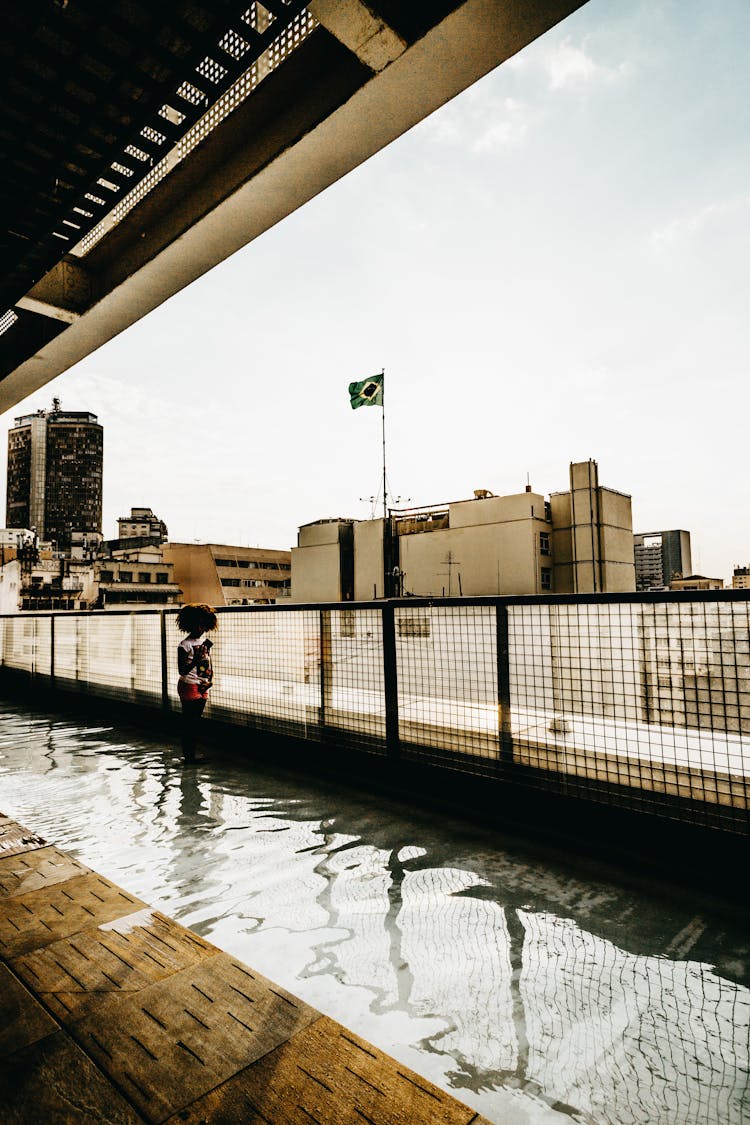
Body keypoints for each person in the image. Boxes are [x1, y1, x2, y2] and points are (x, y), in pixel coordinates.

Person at [176, 603, 218, 763]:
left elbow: (209, 664)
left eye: (203, 625)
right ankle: (189, 756)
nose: (201, 628)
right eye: (198, 625)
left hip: (202, 686)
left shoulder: (204, 643)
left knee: (195, 722)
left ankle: (191, 756)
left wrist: (210, 682)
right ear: (191, 625)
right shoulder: (184, 645)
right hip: (189, 685)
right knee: (190, 723)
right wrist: (196, 660)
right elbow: (182, 670)